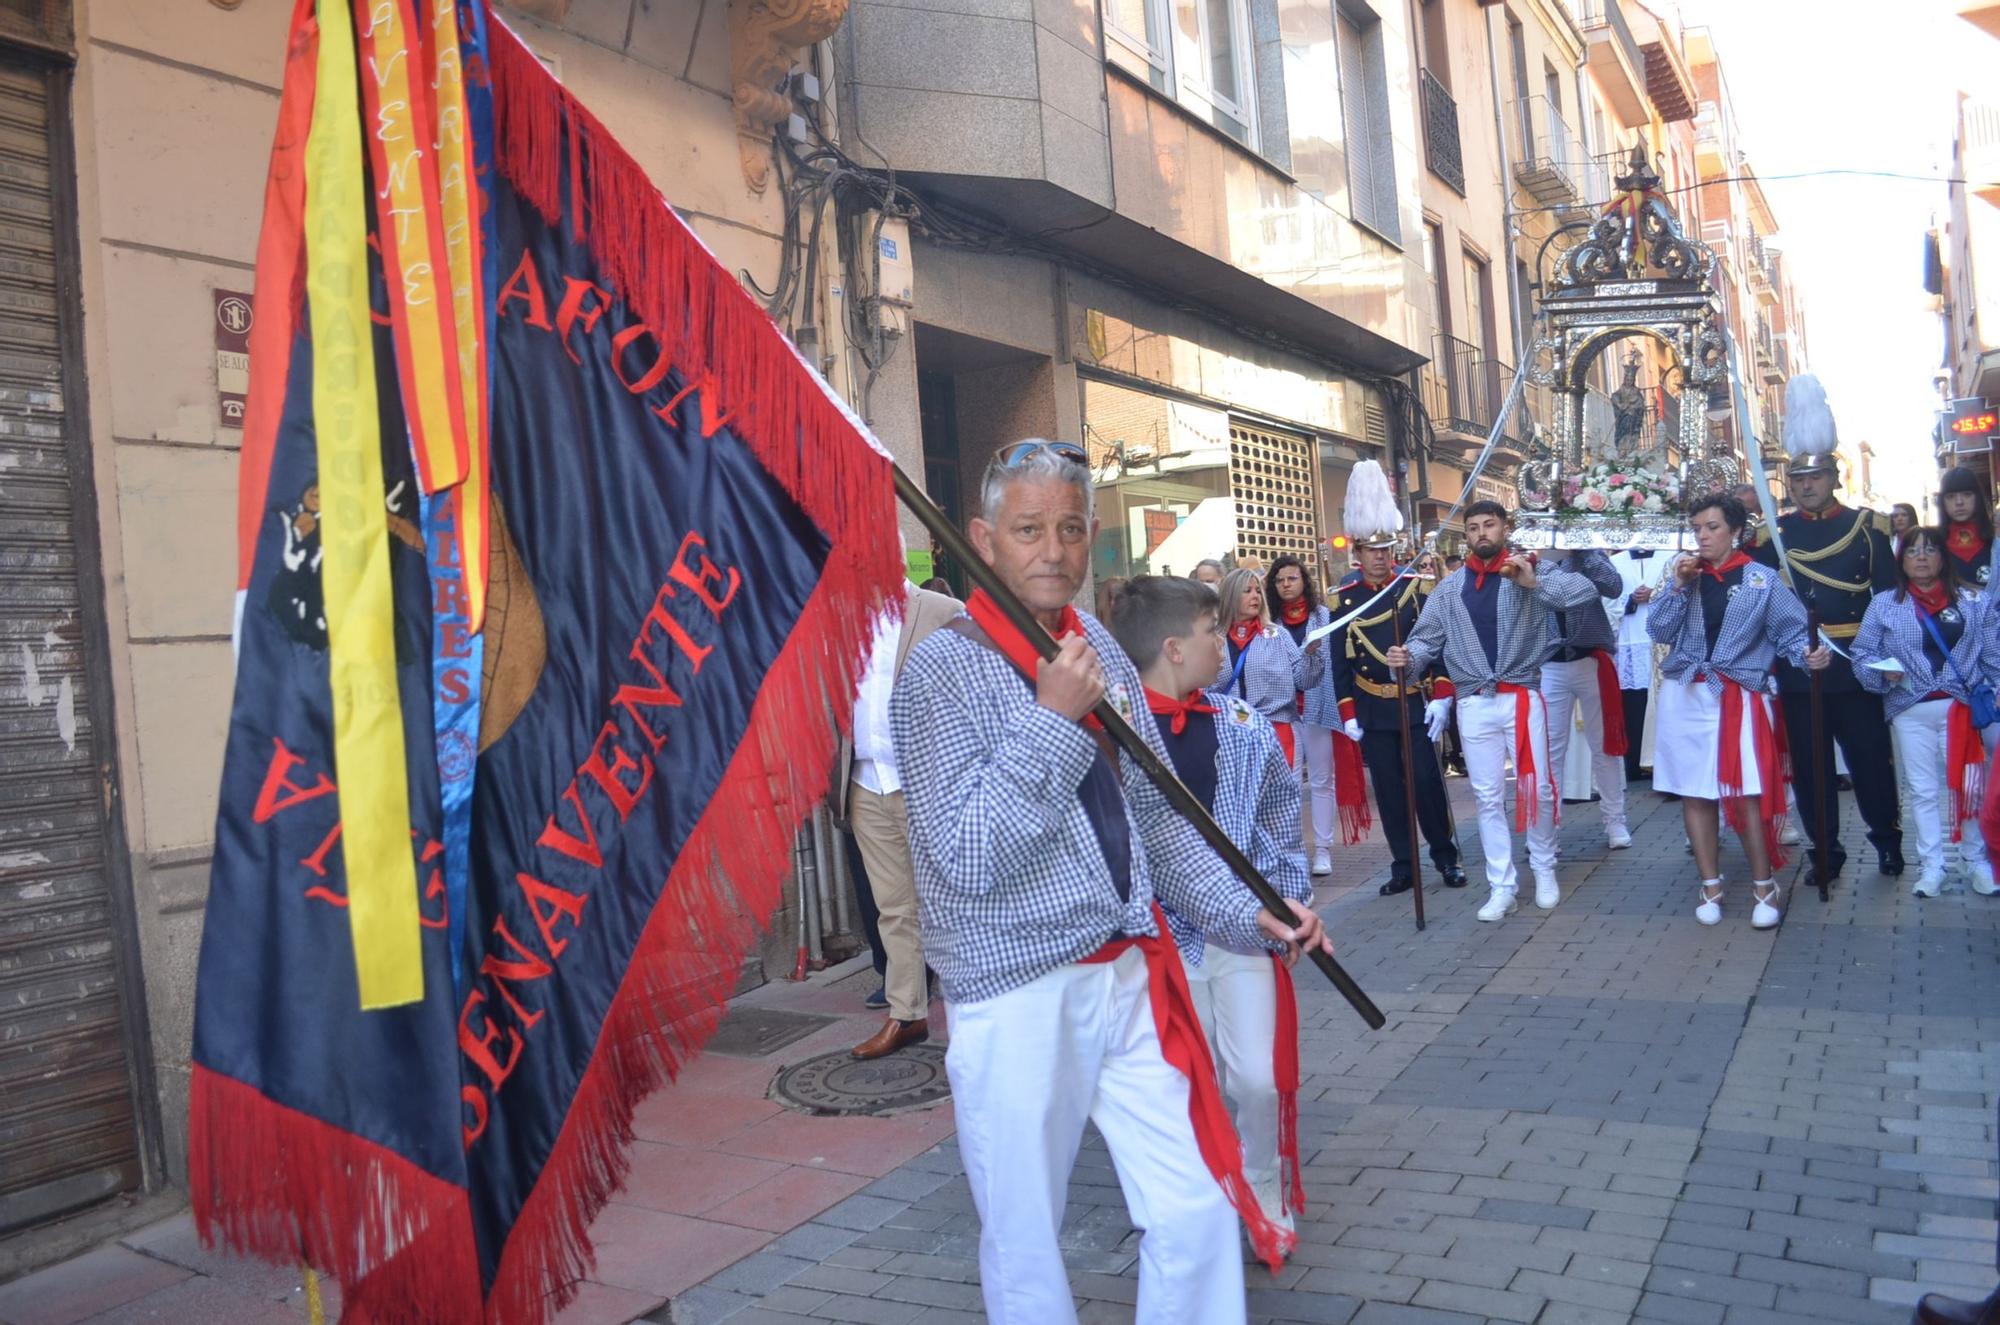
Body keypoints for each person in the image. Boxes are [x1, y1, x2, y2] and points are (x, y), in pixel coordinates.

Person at [891, 439, 1330, 1322]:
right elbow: (966, 857)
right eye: (1026, 529)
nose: (1050, 550)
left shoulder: (1096, 645)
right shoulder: (941, 669)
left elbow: (1158, 820)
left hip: (1127, 968)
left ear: (1091, 535)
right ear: (982, 535)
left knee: (1197, 1204)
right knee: (1024, 1239)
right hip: (1016, 990)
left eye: (1067, 528)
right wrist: (1053, 722)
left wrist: (1251, 912)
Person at [1110, 575, 1315, 1242]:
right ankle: (1205, 1196)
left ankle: (1264, 1182)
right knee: (1182, 1082)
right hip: (1162, 940)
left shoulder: (1244, 726)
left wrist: (1287, 895)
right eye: (1208, 630)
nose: (1222, 640)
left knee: (1254, 1076)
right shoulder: (1111, 738)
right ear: (1172, 647)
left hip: (1244, 931)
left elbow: (1282, 814)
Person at [1386, 500, 1599, 920]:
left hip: (1522, 693)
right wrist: (1407, 657)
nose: (1481, 533)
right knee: (1486, 797)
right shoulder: (1449, 588)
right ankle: (1501, 885)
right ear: (1465, 536)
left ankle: (1543, 868)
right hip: (1473, 702)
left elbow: (1583, 594)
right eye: (1473, 528)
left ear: (1505, 528)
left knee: (1534, 787)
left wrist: (1534, 582)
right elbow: (1427, 640)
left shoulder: (1528, 569)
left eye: (1489, 525)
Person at [1649, 492, 1827, 928]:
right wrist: (1677, 587)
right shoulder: (1683, 576)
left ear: (1735, 531)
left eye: (1712, 528)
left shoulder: (1762, 579)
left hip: (1740, 694)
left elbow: (1790, 635)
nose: (1703, 536)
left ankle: (1764, 885)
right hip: (1687, 692)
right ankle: (1710, 883)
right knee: (1696, 791)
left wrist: (1810, 655)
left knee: (1746, 790)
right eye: (1697, 529)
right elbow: (1657, 628)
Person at [1750, 375, 1903, 880]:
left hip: (1856, 663)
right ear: (1788, 484)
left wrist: (1885, 658)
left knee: (1870, 761)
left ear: (1833, 476)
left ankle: (1886, 841)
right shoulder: (1775, 535)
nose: (1807, 486)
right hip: (1800, 667)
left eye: (1815, 477)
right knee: (1812, 770)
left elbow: (1887, 599)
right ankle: (1826, 851)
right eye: (1798, 480)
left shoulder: (1868, 526)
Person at [1325, 461, 1467, 897]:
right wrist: (1348, 712)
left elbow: (1438, 647)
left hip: (1413, 702)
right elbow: (1339, 664)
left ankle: (1446, 857)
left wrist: (1442, 695)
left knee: (1426, 783)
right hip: (1372, 706)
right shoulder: (1341, 599)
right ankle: (1404, 864)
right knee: (1388, 791)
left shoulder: (1415, 588)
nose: (1380, 557)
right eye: (1372, 551)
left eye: (1386, 549)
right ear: (1358, 555)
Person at [833, 583, 961, 1058]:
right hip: (866, 781)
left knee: (954, 895)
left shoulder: (943, 611)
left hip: (927, 782)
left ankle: (981, 1005)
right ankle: (906, 1014)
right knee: (893, 906)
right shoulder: (839, 619)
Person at [1853, 527, 2000, 899]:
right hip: (1909, 708)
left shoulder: (1972, 600)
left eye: (1929, 550)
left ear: (1943, 557)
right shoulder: (1885, 603)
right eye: (1912, 551)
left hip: (1960, 707)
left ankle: (1974, 859)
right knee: (1921, 790)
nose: (1921, 557)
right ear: (1901, 560)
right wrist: (1881, 671)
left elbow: (1993, 653)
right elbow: (1862, 653)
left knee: (1969, 788)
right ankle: (1932, 865)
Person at [1539, 549, 1631, 848]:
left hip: (1590, 659)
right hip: (1549, 664)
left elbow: (1613, 586)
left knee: (1604, 747)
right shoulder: (1535, 560)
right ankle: (1547, 829)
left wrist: (1584, 553)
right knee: (1550, 751)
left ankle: (1615, 821)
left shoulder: (1592, 556)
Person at [1215, 566, 1325, 769]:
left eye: (1258, 591)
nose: (1255, 596)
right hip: (1230, 733)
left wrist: (1310, 655)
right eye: (1247, 591)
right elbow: (1203, 688)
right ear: (1230, 596)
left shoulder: (1278, 635)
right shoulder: (1214, 638)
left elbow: (1305, 680)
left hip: (1278, 730)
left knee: (1283, 799)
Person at [1267, 555, 1336, 872]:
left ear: (1303, 581)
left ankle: (1323, 849)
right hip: (1284, 712)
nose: (1286, 585)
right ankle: (1292, 849)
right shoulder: (1270, 624)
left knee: (1322, 780)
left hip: (1318, 707)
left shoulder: (1323, 616)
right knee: (1288, 785)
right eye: (1280, 580)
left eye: (1291, 578)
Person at [1607, 546, 1663, 783]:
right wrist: (1629, 599)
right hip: (1627, 639)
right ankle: (1632, 764)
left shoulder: (1669, 556)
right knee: (1630, 702)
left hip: (1658, 641)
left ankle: (1657, 763)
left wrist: (1655, 593)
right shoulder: (1614, 561)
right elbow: (1607, 598)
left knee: (1658, 701)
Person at [1939, 467, 1993, 588]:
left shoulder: (1996, 546)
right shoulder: (1933, 546)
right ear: (1943, 502)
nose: (1959, 502)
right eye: (1951, 496)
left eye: (1967, 494)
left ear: (1978, 497)